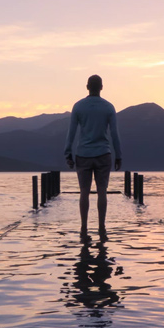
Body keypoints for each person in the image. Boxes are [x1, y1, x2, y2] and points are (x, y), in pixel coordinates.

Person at [64, 75, 122, 239]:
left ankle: (83, 228)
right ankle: (101, 227)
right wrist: (119, 155)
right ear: (101, 87)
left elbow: (72, 132)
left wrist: (67, 152)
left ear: (87, 87)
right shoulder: (109, 107)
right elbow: (115, 134)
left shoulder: (78, 107)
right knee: (102, 191)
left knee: (84, 191)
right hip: (104, 154)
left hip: (83, 154)